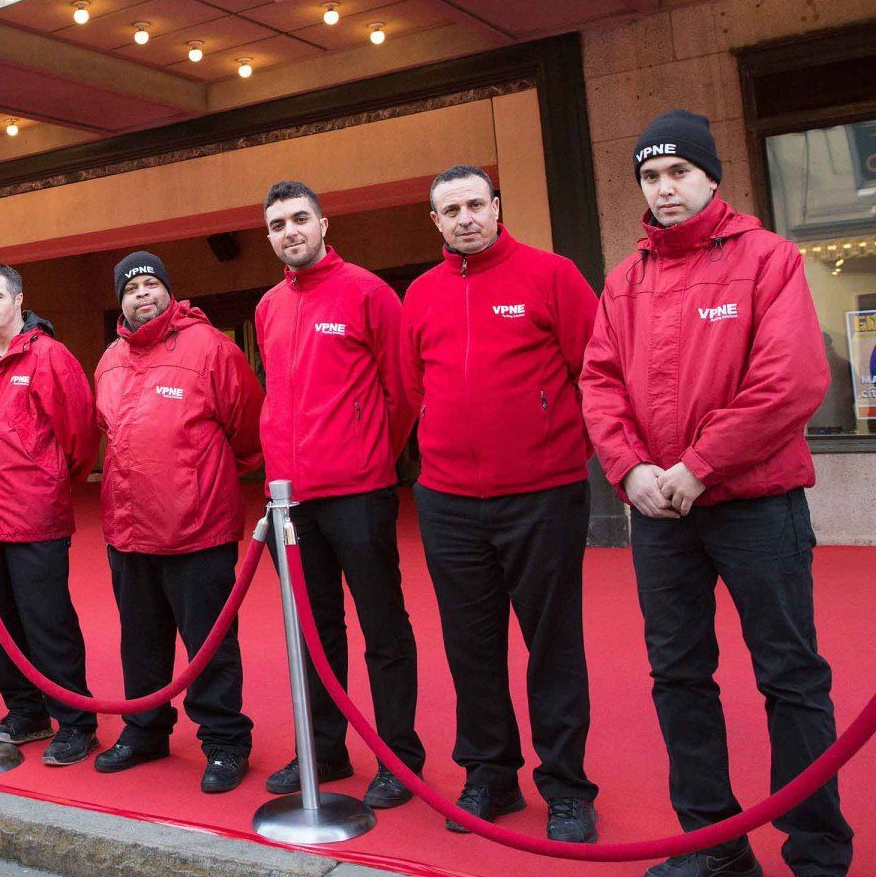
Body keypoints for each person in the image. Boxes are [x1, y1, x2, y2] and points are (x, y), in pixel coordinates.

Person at [582, 110, 853, 877]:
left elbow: (790, 381)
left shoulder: (769, 259)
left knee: (790, 677)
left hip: (756, 506)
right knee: (678, 677)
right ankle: (714, 847)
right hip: (662, 517)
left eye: (677, 173)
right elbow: (598, 384)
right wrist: (632, 471)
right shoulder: (625, 278)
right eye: (650, 176)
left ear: (710, 176)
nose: (664, 188)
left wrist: (698, 467)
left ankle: (819, 854)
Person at [401, 164, 600, 842]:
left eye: (474, 205)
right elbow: (409, 386)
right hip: (449, 501)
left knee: (553, 644)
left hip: (543, 493)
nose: (464, 218)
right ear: (435, 222)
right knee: (471, 647)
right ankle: (489, 774)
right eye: (449, 209)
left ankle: (568, 787)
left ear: (496, 207)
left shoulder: (552, 276)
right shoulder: (421, 295)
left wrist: (579, 454)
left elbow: (595, 371)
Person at [256, 181, 424, 808]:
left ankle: (398, 756)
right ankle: (323, 749)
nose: (290, 231)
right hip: (289, 502)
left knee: (382, 626)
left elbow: (404, 389)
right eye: (278, 224)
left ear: (324, 224)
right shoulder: (270, 306)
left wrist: (373, 452)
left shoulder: (369, 292)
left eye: (300, 219)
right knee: (313, 633)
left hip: (358, 490)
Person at [92, 251, 262, 794]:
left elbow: (247, 430)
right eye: (130, 288)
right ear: (120, 301)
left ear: (168, 290)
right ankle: (146, 730)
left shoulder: (211, 347)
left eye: (150, 283)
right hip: (129, 528)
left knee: (208, 642)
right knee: (140, 641)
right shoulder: (110, 360)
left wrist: (200, 478)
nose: (142, 294)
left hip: (197, 526)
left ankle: (225, 741)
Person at [0, 262, 100, 766]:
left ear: (19, 300)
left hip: (35, 516)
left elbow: (80, 436)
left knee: (48, 625)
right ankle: (26, 712)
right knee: (0, 624)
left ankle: (77, 722)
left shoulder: (49, 357)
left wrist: (49, 485)